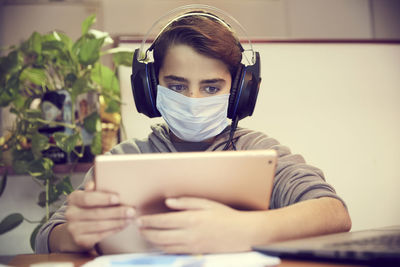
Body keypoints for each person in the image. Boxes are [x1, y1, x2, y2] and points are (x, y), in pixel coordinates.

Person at [35, 8, 351, 254]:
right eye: (176, 86)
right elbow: (47, 236)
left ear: (240, 93)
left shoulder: (259, 151)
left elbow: (334, 214)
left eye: (211, 86)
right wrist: (71, 235)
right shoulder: (125, 157)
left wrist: (243, 228)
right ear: (150, 89)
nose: (193, 100)